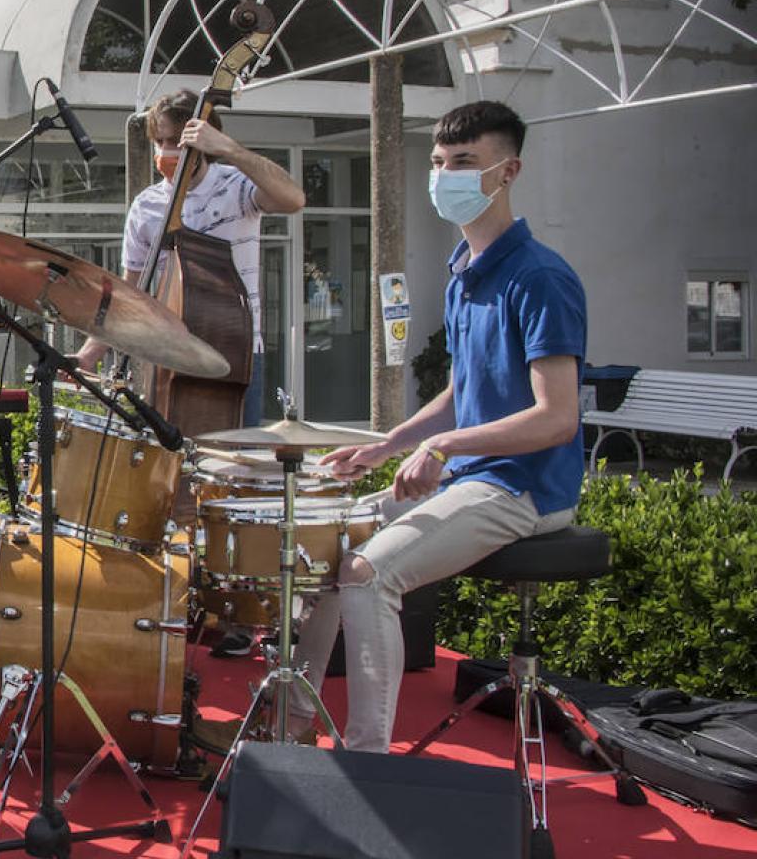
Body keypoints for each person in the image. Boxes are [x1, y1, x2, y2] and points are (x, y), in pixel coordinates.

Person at [288, 100, 585, 753]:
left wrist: (442, 446)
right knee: (326, 542)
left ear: (508, 172)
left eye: (464, 162)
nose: (446, 176)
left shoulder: (539, 278)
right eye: (439, 162)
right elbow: (462, 393)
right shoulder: (462, 276)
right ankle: (289, 727)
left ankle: (366, 760)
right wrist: (386, 445)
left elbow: (557, 417)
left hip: (524, 488)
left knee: (368, 573)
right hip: (473, 477)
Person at [74, 89, 305, 426]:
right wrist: (88, 354)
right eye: (159, 142)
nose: (166, 151)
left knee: (234, 453)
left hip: (235, 350)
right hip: (171, 354)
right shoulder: (146, 205)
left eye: (175, 142)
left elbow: (294, 199)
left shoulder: (236, 186)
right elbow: (130, 292)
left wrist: (230, 149)